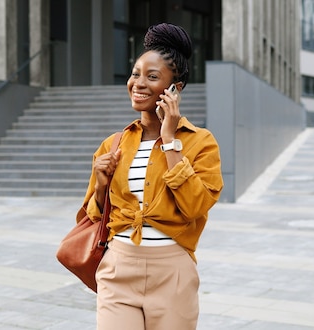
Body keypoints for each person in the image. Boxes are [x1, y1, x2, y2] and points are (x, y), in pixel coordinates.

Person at [78, 23, 223, 329]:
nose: (138, 83)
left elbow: (195, 207)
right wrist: (101, 186)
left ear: (175, 89)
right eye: (135, 73)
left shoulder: (201, 143)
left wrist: (170, 141)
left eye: (152, 77)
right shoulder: (113, 144)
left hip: (172, 273)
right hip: (118, 268)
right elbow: (95, 214)